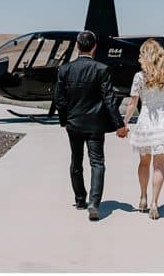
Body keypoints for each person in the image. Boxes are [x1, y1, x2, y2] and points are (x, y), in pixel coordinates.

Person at [53, 30, 128, 221]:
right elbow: (110, 100)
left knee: (76, 161)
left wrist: (64, 120)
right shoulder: (101, 69)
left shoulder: (65, 70)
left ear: (77, 46)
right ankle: (94, 203)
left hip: (74, 123)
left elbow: (59, 99)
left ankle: (80, 199)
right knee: (97, 162)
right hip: (95, 125)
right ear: (94, 47)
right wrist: (119, 125)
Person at [122, 39, 164, 220]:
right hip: (163, 123)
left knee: (144, 163)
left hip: (145, 122)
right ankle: (154, 203)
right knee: (159, 166)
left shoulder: (139, 77)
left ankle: (143, 197)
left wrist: (125, 122)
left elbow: (132, 102)